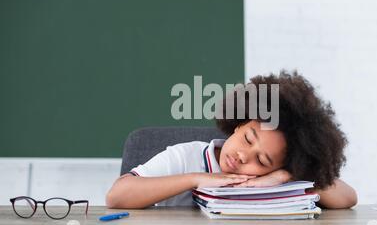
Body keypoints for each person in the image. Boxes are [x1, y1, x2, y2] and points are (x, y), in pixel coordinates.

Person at [106, 70, 357, 209]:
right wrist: (196, 178)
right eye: (248, 139)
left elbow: (348, 198)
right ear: (239, 124)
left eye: (261, 159)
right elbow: (117, 196)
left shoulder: (277, 178)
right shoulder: (186, 157)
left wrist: (290, 175)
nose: (243, 156)